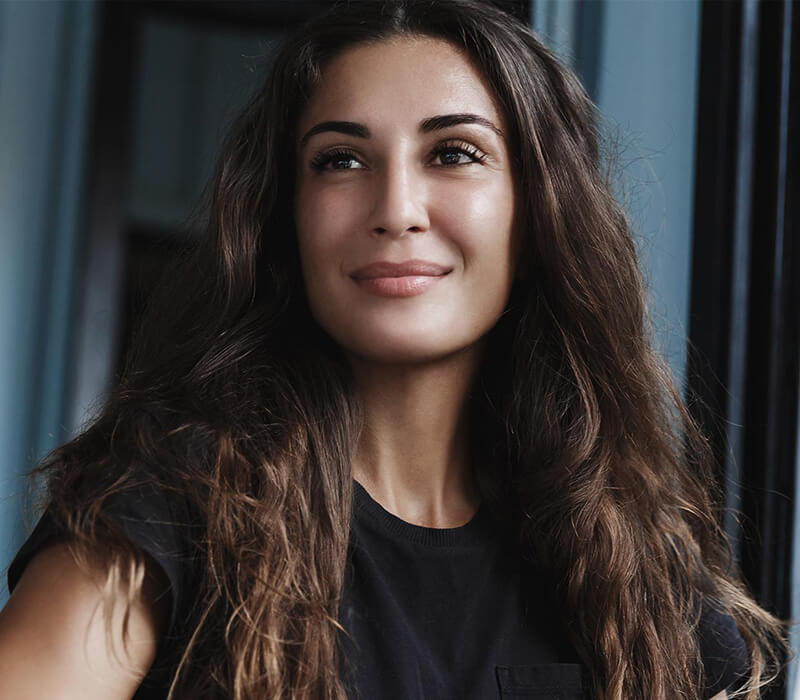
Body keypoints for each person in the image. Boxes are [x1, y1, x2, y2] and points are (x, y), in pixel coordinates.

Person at [0, 1, 788, 698]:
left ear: (541, 208)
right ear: (287, 218)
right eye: (341, 160)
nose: (396, 209)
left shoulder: (630, 564)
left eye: (454, 153)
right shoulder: (168, 494)